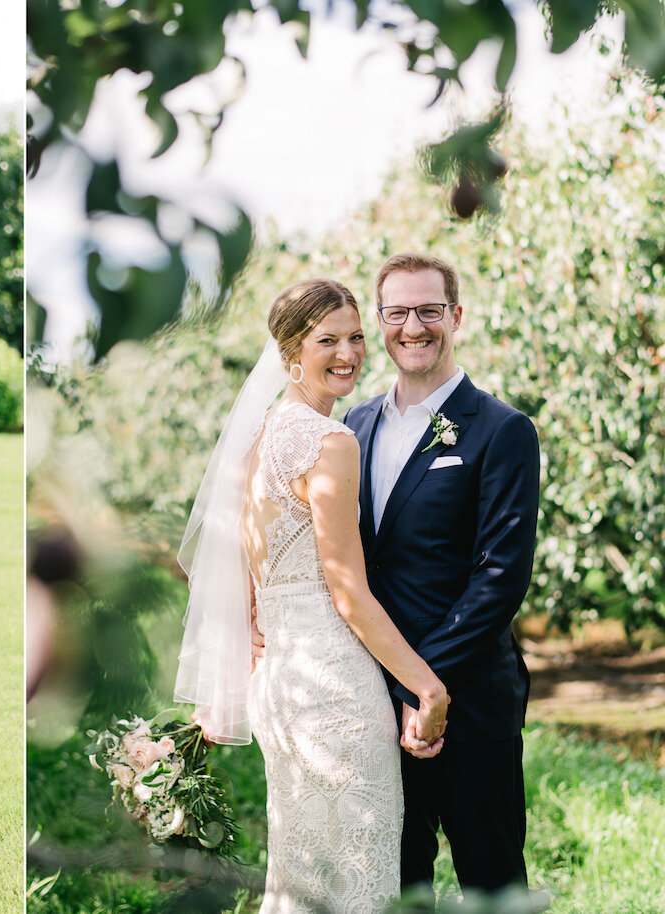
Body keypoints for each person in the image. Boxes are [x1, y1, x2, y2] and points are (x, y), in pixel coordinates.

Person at [175, 279, 450, 913]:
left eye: (356, 336)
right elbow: (348, 592)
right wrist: (427, 686)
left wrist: (254, 636)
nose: (348, 352)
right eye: (327, 340)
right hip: (334, 690)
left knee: (301, 879)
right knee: (356, 881)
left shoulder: (258, 440)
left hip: (281, 686)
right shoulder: (331, 442)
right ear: (290, 352)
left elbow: (243, 572)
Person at [343, 253, 539, 895]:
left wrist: (422, 687)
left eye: (429, 310)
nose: (413, 326)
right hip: (371, 700)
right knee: (397, 884)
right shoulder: (354, 425)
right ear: (380, 321)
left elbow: (500, 579)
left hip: (470, 698)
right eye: (397, 312)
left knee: (491, 881)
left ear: (455, 316)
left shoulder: (503, 430)